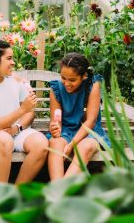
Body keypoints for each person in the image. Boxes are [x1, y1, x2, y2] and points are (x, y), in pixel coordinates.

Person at [0, 39, 49, 183]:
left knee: (41, 143)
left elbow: (29, 112)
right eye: (9, 58)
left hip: (16, 132)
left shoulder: (16, 80)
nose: (13, 62)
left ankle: (16, 195)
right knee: (4, 140)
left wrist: (17, 128)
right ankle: (2, 195)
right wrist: (22, 110)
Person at [47, 52, 110, 180]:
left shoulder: (93, 85)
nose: (66, 83)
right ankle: (58, 188)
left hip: (89, 132)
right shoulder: (56, 88)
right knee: (55, 143)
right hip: (66, 131)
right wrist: (55, 127)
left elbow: (91, 121)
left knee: (84, 147)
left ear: (84, 76)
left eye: (72, 80)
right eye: (63, 78)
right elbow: (56, 120)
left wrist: (72, 145)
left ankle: (61, 191)